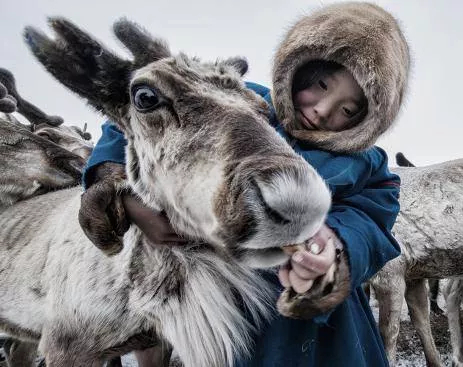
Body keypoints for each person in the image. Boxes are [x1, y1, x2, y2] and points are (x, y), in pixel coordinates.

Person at [79, 2, 410, 366]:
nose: (321, 110)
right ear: (298, 67)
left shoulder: (367, 165)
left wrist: (334, 252)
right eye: (320, 85)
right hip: (222, 315)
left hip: (321, 333)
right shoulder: (240, 102)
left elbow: (369, 221)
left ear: (368, 119)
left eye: (348, 110)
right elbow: (141, 111)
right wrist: (117, 187)